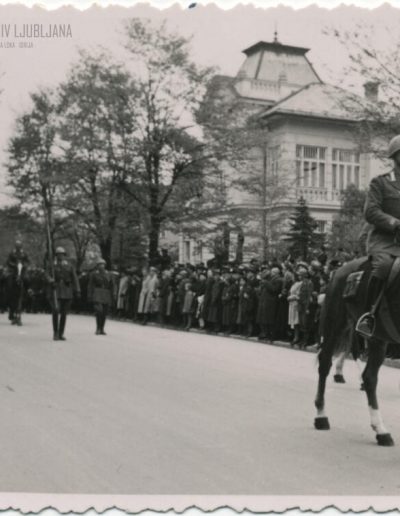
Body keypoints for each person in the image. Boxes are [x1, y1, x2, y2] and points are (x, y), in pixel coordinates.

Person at [356, 135, 400, 338]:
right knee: (383, 268)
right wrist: (394, 223)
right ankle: (368, 315)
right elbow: (371, 211)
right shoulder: (381, 183)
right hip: (385, 242)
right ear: (396, 156)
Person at [47, 247, 80, 341]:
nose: (60, 256)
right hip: (55, 291)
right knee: (56, 310)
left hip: (67, 291)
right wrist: (50, 280)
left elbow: (74, 278)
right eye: (58, 254)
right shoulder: (52, 265)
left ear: (64, 255)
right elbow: (46, 274)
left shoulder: (69, 265)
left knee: (64, 313)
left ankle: (61, 333)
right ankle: (55, 332)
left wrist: (77, 290)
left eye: (62, 254)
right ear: (56, 255)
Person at [88, 258, 114, 335]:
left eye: (103, 264)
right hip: (97, 292)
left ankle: (102, 328)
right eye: (100, 265)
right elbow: (90, 285)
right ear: (97, 266)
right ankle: (98, 328)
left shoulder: (109, 274)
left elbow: (112, 285)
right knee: (99, 311)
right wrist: (90, 295)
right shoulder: (94, 274)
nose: (101, 266)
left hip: (106, 293)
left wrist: (113, 294)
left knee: (104, 312)